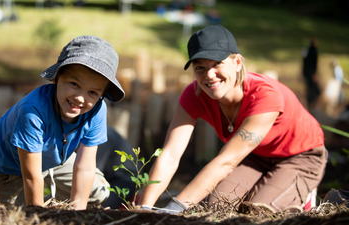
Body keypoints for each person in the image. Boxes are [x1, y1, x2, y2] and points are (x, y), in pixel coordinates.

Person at [138, 25, 328, 214]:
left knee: (258, 211)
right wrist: (144, 208)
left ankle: (304, 197)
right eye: (200, 68)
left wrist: (173, 210)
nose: (209, 75)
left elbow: (227, 161)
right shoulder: (193, 96)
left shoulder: (264, 95)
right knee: (216, 206)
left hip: (300, 156)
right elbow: (170, 155)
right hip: (254, 155)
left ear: (237, 63)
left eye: (217, 64)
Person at [0, 35, 125, 210]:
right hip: (11, 166)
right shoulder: (32, 111)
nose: (80, 98)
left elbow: (85, 166)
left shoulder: (97, 110)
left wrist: (76, 215)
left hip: (54, 156)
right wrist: (38, 216)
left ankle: (57, 205)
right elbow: (31, 175)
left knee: (97, 192)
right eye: (74, 84)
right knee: (16, 214)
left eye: (93, 92)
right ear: (56, 77)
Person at [97, 125, 136, 209]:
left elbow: (92, 171)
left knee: (97, 207)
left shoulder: (100, 135)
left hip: (124, 179)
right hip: (107, 176)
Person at [302, 38, 321, 109]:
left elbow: (304, 61)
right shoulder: (314, 51)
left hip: (306, 72)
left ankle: (310, 103)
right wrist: (314, 73)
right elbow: (314, 63)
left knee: (309, 88)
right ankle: (311, 103)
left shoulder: (306, 50)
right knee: (312, 89)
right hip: (310, 73)